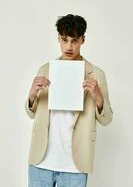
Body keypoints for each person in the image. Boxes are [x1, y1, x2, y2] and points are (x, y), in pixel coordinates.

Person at [25, 14, 113, 187]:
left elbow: (107, 119)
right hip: (40, 162)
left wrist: (98, 97)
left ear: (83, 40)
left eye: (74, 41)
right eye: (64, 40)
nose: (69, 46)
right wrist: (31, 95)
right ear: (58, 38)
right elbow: (31, 113)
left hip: (75, 166)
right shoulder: (45, 69)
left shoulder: (96, 74)